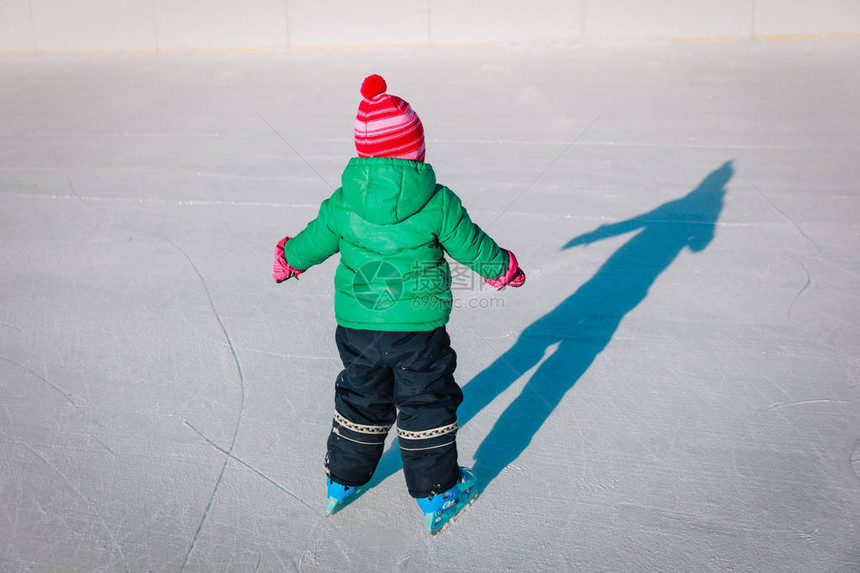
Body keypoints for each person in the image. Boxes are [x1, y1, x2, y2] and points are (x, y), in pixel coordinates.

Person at [272, 74, 525, 533]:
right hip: (419, 329)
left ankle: (342, 481)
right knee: (425, 400)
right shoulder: (437, 202)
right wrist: (502, 268)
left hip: (358, 325)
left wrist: (288, 259)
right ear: (416, 150)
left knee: (361, 396)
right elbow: (472, 246)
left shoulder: (344, 202)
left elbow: (312, 241)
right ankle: (437, 491)